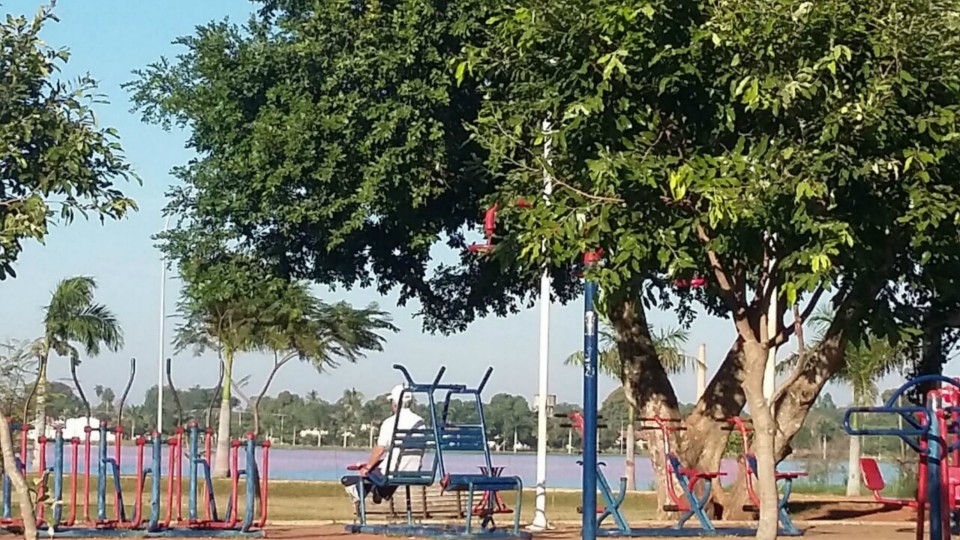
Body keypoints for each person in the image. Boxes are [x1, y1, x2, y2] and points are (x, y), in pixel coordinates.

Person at [342, 383, 425, 504]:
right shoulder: (420, 422)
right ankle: (381, 492)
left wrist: (367, 467)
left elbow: (380, 450)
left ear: (395, 403)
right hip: (414, 470)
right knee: (382, 467)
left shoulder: (390, 422)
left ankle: (362, 492)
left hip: (392, 471)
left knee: (372, 471)